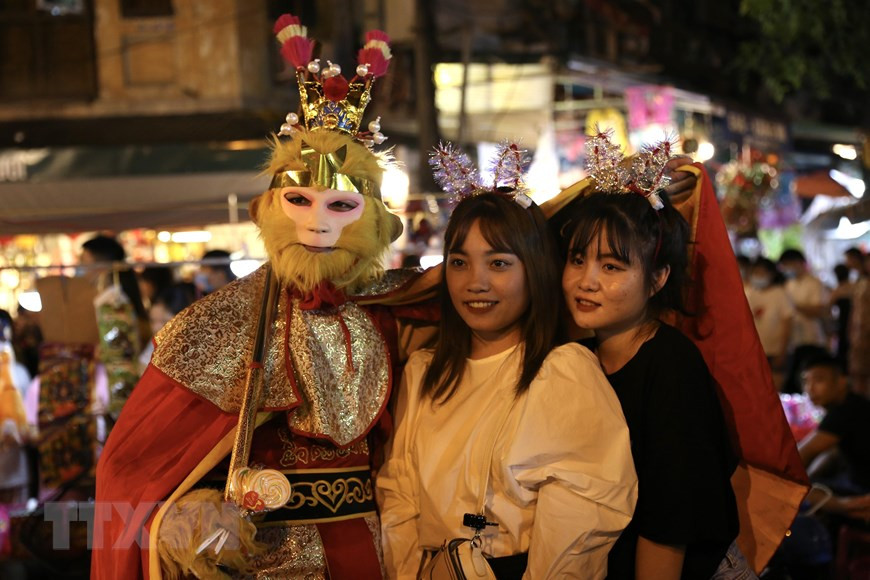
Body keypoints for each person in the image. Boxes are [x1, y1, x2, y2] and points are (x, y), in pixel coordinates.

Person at [92, 15, 439, 579]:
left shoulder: (407, 306)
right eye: (299, 200)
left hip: (385, 546)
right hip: (268, 558)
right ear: (266, 211)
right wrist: (186, 519)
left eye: (342, 206)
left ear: (378, 223)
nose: (319, 223)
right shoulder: (216, 323)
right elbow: (131, 467)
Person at [377, 186, 637, 579]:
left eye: (498, 263)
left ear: (534, 268)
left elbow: (583, 509)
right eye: (459, 262)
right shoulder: (425, 372)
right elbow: (399, 494)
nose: (475, 282)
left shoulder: (562, 371)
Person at [559, 183, 739, 577]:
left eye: (611, 267)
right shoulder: (581, 357)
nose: (586, 281)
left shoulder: (671, 365)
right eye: (577, 259)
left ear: (657, 280)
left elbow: (670, 522)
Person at [779, 249, 828, 393]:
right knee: (795, 384)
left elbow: (819, 311)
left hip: (812, 340)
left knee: (812, 380)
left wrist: (794, 305)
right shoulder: (788, 285)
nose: (788, 268)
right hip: (794, 342)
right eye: (785, 265)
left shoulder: (814, 283)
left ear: (801, 263)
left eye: (790, 264)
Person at [744, 257, 793, 388]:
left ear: (771, 274)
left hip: (775, 351)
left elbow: (787, 323)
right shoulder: (749, 293)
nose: (758, 277)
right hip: (755, 351)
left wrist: (782, 351)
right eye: (756, 273)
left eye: (762, 273)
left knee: (775, 387)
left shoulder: (780, 294)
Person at [137, 282, 197, 373]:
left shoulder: (195, 348)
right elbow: (142, 369)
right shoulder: (157, 342)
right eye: (152, 320)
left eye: (164, 322)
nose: (156, 328)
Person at [829, 263, 853, 372]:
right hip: (851, 323)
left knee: (844, 349)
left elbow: (828, 307)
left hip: (844, 323)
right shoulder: (854, 286)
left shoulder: (838, 290)